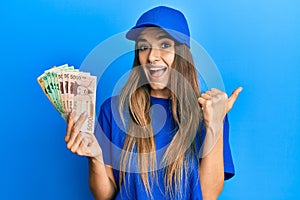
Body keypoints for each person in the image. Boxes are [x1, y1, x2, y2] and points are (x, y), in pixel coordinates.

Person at [65, 6, 242, 200]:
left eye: (165, 45)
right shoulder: (113, 110)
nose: (151, 56)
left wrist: (215, 123)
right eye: (143, 46)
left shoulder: (209, 112)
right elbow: (105, 196)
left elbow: (207, 195)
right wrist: (96, 158)